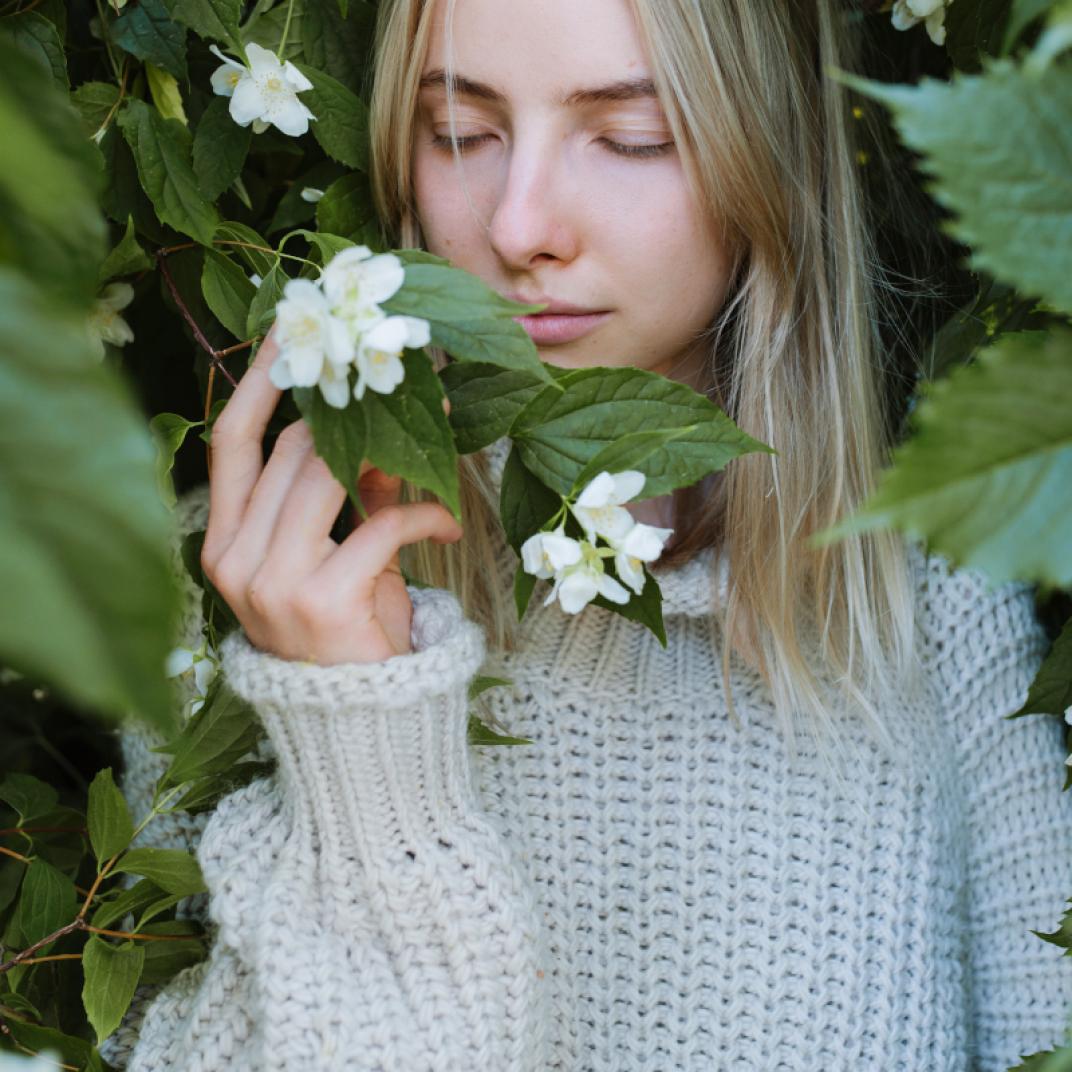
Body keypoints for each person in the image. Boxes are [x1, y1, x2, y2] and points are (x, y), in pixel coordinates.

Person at [104, 0, 1072, 1068]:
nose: (520, 227)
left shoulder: (937, 596)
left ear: (770, 154)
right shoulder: (240, 595)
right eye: (459, 134)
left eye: (629, 138)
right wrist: (355, 741)